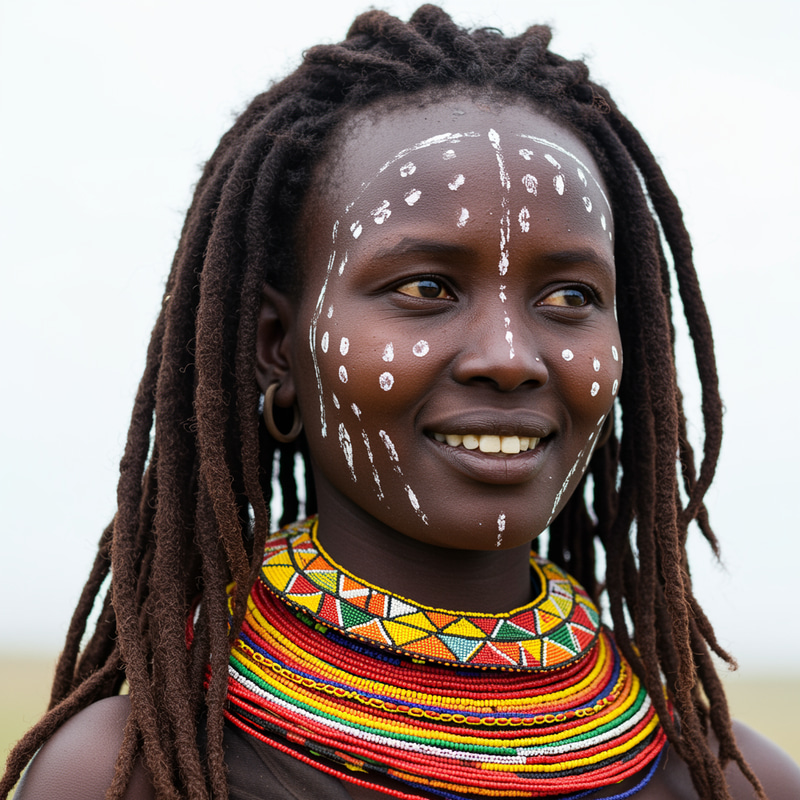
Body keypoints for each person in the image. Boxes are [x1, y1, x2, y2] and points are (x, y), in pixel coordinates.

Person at [3, 6, 799, 799]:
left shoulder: (738, 783)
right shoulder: (132, 775)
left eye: (568, 295)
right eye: (426, 287)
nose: (511, 358)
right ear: (278, 345)